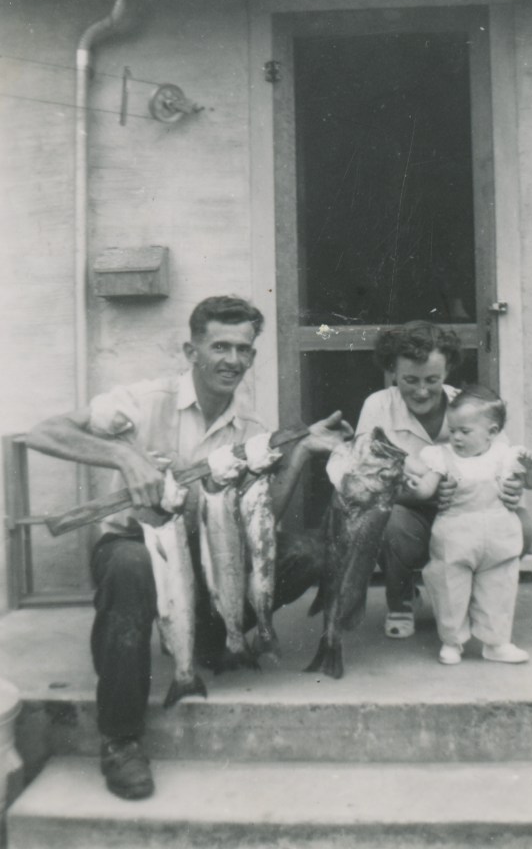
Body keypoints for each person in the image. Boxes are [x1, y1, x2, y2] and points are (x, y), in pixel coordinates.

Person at [25, 295, 352, 801]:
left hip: (209, 554)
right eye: (219, 346)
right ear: (191, 350)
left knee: (307, 553)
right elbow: (46, 433)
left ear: (252, 356)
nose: (232, 360)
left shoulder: (250, 429)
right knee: (130, 568)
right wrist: (124, 457)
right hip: (138, 543)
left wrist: (304, 451)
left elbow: (262, 520)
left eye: (243, 349)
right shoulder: (144, 400)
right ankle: (120, 739)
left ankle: (208, 637)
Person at [355, 321, 532, 639]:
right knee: (389, 522)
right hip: (410, 514)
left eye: (432, 380)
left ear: (447, 370)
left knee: (522, 526)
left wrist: (510, 486)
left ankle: (477, 596)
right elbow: (365, 478)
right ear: (392, 371)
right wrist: (422, 493)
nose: (422, 391)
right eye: (410, 380)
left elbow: (503, 458)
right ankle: (401, 597)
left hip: (468, 516)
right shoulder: (378, 406)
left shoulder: (470, 407)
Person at [406, 386, 532, 665]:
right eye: (452, 430)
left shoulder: (504, 456)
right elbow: (426, 490)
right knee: (449, 589)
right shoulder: (442, 457)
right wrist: (417, 487)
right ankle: (452, 641)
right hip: (455, 538)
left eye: (464, 431)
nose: (455, 437)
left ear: (491, 432)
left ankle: (496, 643)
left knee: (498, 590)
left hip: (499, 538)